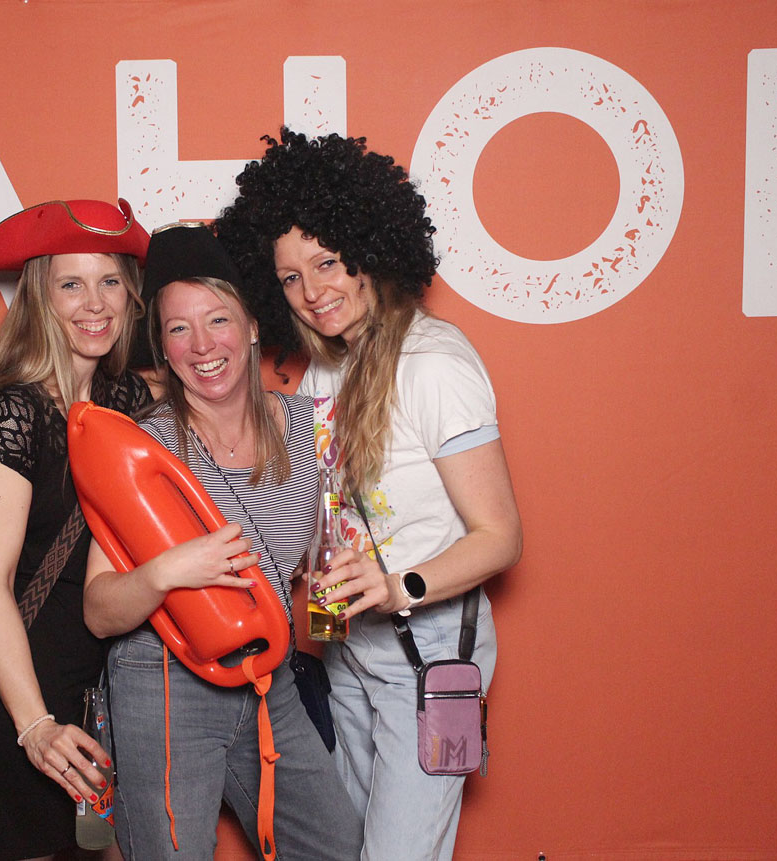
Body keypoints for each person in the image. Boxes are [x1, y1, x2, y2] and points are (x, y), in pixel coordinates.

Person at [215, 129, 523, 860]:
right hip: (346, 648)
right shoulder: (327, 369)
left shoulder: (434, 364)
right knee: (344, 849)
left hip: (430, 653)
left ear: (370, 249)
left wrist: (395, 586)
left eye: (326, 262)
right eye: (289, 278)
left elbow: (502, 537)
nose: (311, 291)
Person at [82, 223, 363, 860]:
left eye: (218, 320)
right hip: (164, 680)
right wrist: (166, 571)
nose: (203, 345)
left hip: (269, 677)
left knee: (335, 848)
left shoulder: (310, 428)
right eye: (179, 328)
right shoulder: (145, 445)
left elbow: (326, 547)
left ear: (253, 326)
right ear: (162, 346)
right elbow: (98, 611)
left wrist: (341, 583)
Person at [0, 198, 152, 861]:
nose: (95, 302)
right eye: (71, 284)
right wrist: (34, 726)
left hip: (92, 700)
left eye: (110, 280)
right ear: (40, 299)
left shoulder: (123, 399)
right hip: (15, 700)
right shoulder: (13, 411)